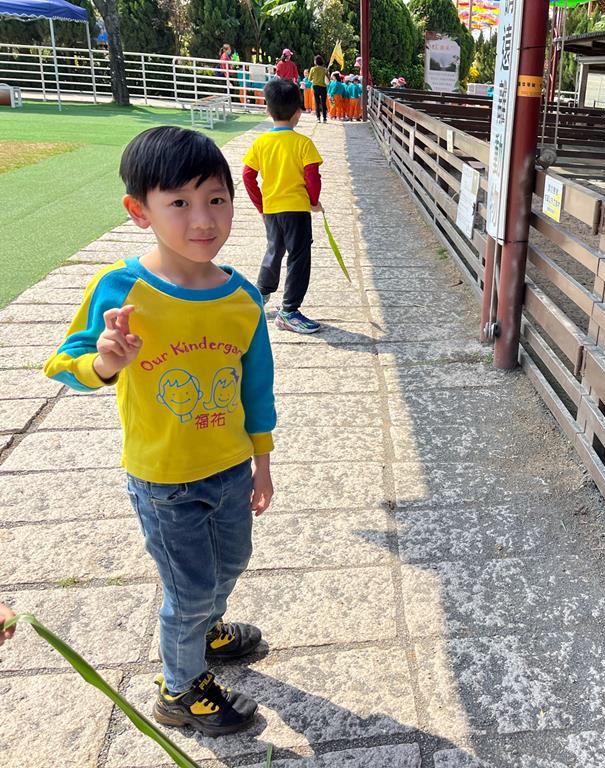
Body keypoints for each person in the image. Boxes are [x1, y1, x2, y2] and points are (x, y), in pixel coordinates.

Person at [43, 126, 276, 737]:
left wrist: (262, 460)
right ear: (139, 210)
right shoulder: (121, 290)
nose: (203, 219)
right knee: (189, 589)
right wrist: (104, 363)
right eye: (179, 202)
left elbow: (256, 388)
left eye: (216, 199)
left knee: (231, 563)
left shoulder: (242, 298)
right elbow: (64, 363)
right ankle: (180, 688)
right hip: (164, 480)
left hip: (231, 469)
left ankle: (206, 629)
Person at [242, 79, 324, 333]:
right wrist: (313, 201)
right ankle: (289, 311)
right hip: (296, 210)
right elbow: (312, 177)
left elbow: (247, 176)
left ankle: (260, 294)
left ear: (268, 111)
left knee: (273, 250)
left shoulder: (260, 143)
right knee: (299, 257)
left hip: (272, 209)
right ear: (298, 112)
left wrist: (261, 206)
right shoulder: (303, 144)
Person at [308, 55, 328, 124]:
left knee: (317, 102)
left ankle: (318, 118)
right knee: (323, 103)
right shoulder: (324, 69)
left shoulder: (313, 69)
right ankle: (324, 118)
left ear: (315, 61)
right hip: (323, 87)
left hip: (316, 87)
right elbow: (327, 78)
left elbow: (309, 79)